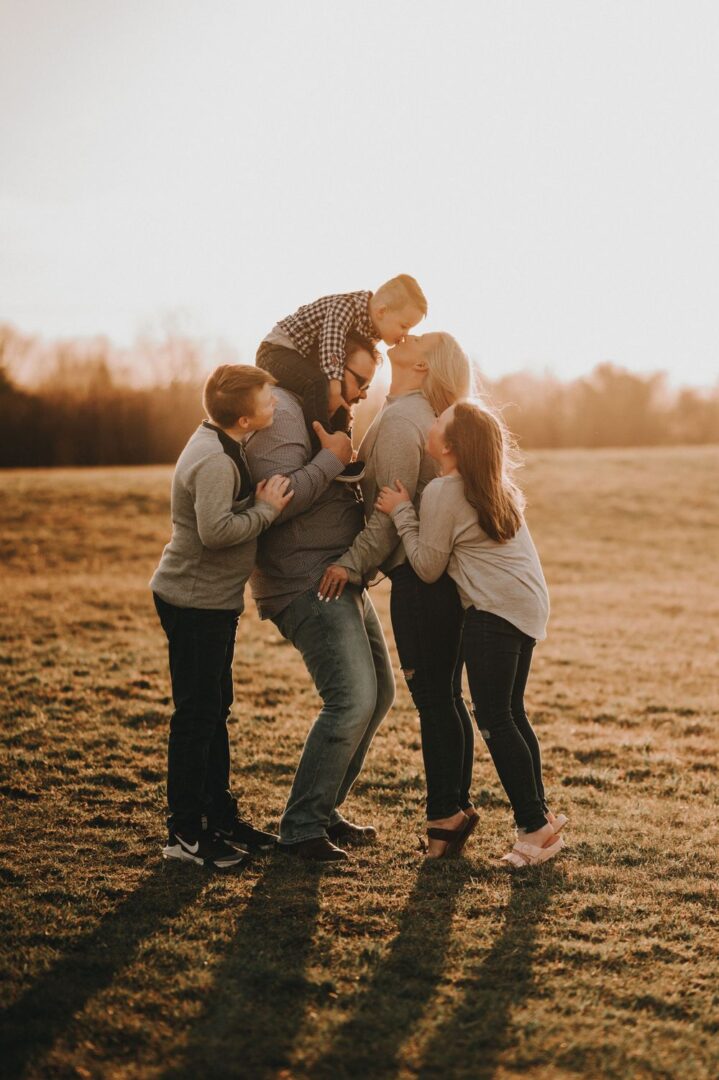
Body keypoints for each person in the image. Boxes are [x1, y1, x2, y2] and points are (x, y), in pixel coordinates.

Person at [376, 400, 567, 868]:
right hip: (526, 607)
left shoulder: (444, 491)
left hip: (493, 613)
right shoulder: (497, 488)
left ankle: (534, 828)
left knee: (494, 720)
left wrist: (403, 512)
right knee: (511, 714)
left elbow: (426, 567)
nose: (431, 423)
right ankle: (539, 818)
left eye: (440, 422)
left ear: (452, 444)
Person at [317, 333, 477, 859]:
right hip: (438, 584)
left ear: (423, 364)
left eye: (416, 338)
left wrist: (350, 562)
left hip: (419, 584)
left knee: (435, 700)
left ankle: (444, 819)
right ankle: (453, 810)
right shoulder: (410, 416)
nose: (402, 336)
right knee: (446, 698)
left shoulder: (405, 421)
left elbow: (388, 518)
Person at [244, 339, 394, 862]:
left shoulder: (318, 410)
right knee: (352, 698)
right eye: (354, 380)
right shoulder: (282, 412)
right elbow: (274, 502)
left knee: (380, 695)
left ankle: (323, 809)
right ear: (330, 366)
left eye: (367, 387)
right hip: (304, 578)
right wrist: (333, 461)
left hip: (337, 572)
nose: (357, 396)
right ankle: (301, 827)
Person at [150, 365, 293, 869]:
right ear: (242, 416)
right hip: (193, 603)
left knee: (214, 712)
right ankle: (185, 835)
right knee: (196, 718)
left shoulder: (225, 442)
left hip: (212, 602)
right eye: (267, 398)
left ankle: (218, 818)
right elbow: (215, 531)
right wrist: (267, 510)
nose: (273, 405)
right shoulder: (214, 459)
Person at [255, 274, 427, 478]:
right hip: (277, 352)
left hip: (304, 359)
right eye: (404, 325)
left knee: (340, 399)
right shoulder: (346, 307)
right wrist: (335, 387)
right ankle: (324, 452)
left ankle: (343, 449)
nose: (405, 334)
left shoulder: (371, 328)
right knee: (318, 383)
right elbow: (331, 343)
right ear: (382, 311)